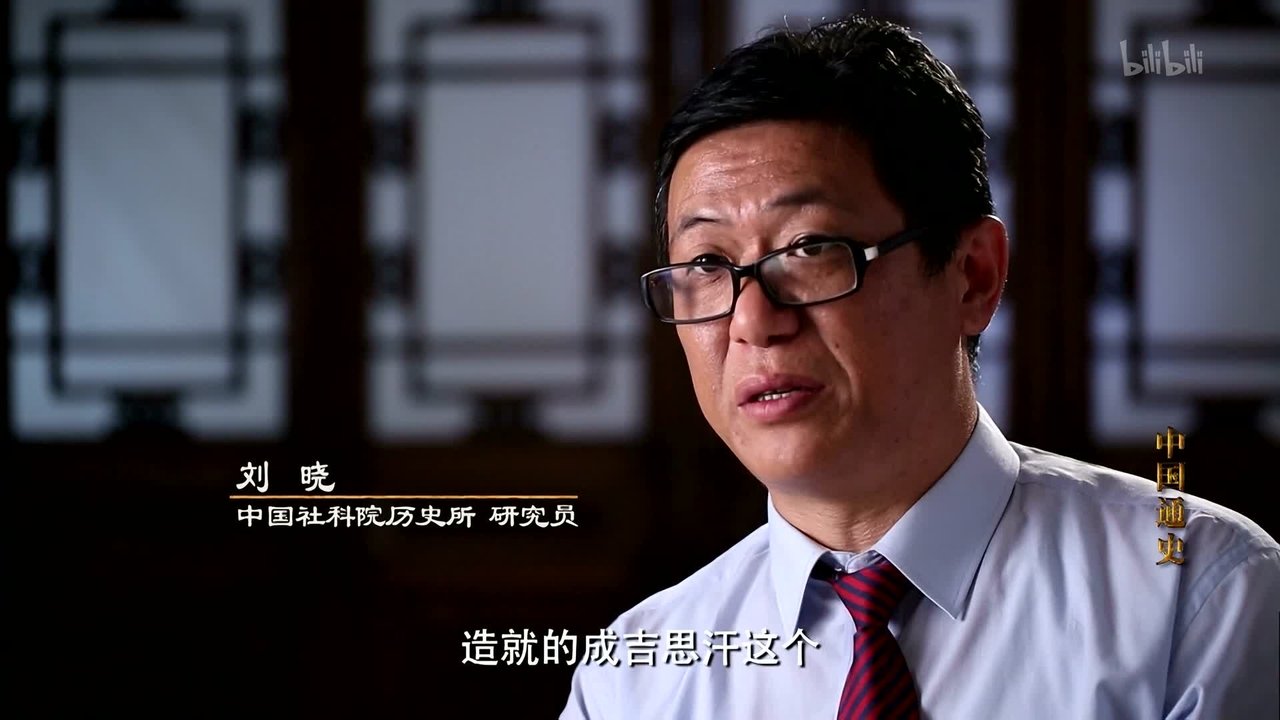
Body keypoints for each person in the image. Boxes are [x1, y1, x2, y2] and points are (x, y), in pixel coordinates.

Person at [560, 13, 1280, 720]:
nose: (753, 321)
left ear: (972, 276)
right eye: (707, 265)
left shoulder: (1196, 596)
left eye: (811, 249)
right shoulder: (634, 680)